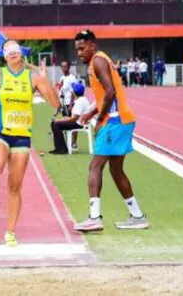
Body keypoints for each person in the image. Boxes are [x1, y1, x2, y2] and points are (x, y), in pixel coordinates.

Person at [0, 39, 59, 247]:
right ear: (4, 56)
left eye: (15, 48)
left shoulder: (33, 78)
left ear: (21, 53)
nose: (12, 51)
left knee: (15, 186)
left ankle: (10, 232)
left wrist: (46, 80)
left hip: (21, 136)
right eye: (7, 49)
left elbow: (55, 103)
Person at [72, 30, 149, 232]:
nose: (79, 53)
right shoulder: (98, 61)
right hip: (122, 120)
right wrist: (90, 113)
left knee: (95, 166)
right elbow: (105, 96)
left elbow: (110, 92)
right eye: (77, 49)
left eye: (82, 48)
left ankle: (94, 217)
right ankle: (137, 215)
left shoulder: (98, 61)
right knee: (115, 169)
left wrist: (99, 119)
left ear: (92, 45)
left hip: (114, 122)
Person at [49, 82, 91, 154]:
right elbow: (73, 118)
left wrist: (60, 120)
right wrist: (64, 119)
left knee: (56, 124)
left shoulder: (79, 102)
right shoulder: (82, 99)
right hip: (78, 122)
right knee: (54, 123)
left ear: (74, 93)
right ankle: (58, 148)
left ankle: (62, 149)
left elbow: (74, 119)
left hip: (79, 124)